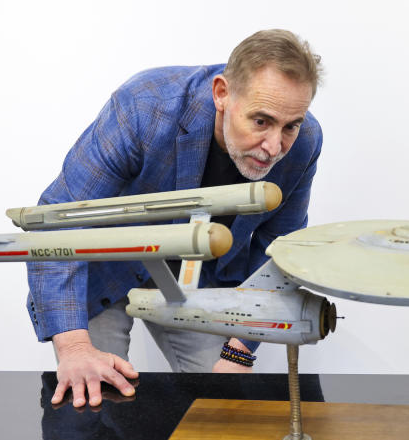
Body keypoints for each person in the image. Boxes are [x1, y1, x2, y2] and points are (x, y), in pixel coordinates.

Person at [27, 29, 324, 406]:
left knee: (227, 406)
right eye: (261, 121)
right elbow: (57, 220)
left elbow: (278, 251)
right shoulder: (145, 107)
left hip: (199, 278)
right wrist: (73, 347)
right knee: (96, 405)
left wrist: (239, 350)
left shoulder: (306, 142)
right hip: (105, 265)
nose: (274, 147)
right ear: (221, 94)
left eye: (290, 126)